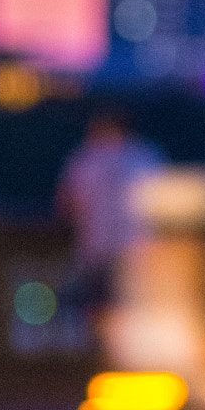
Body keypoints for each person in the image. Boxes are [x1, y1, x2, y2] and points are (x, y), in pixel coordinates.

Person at [56, 110, 162, 316]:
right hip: (138, 250)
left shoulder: (86, 157)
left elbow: (66, 203)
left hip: (98, 248)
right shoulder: (146, 155)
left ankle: (100, 347)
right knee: (135, 311)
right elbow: (161, 207)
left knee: (99, 311)